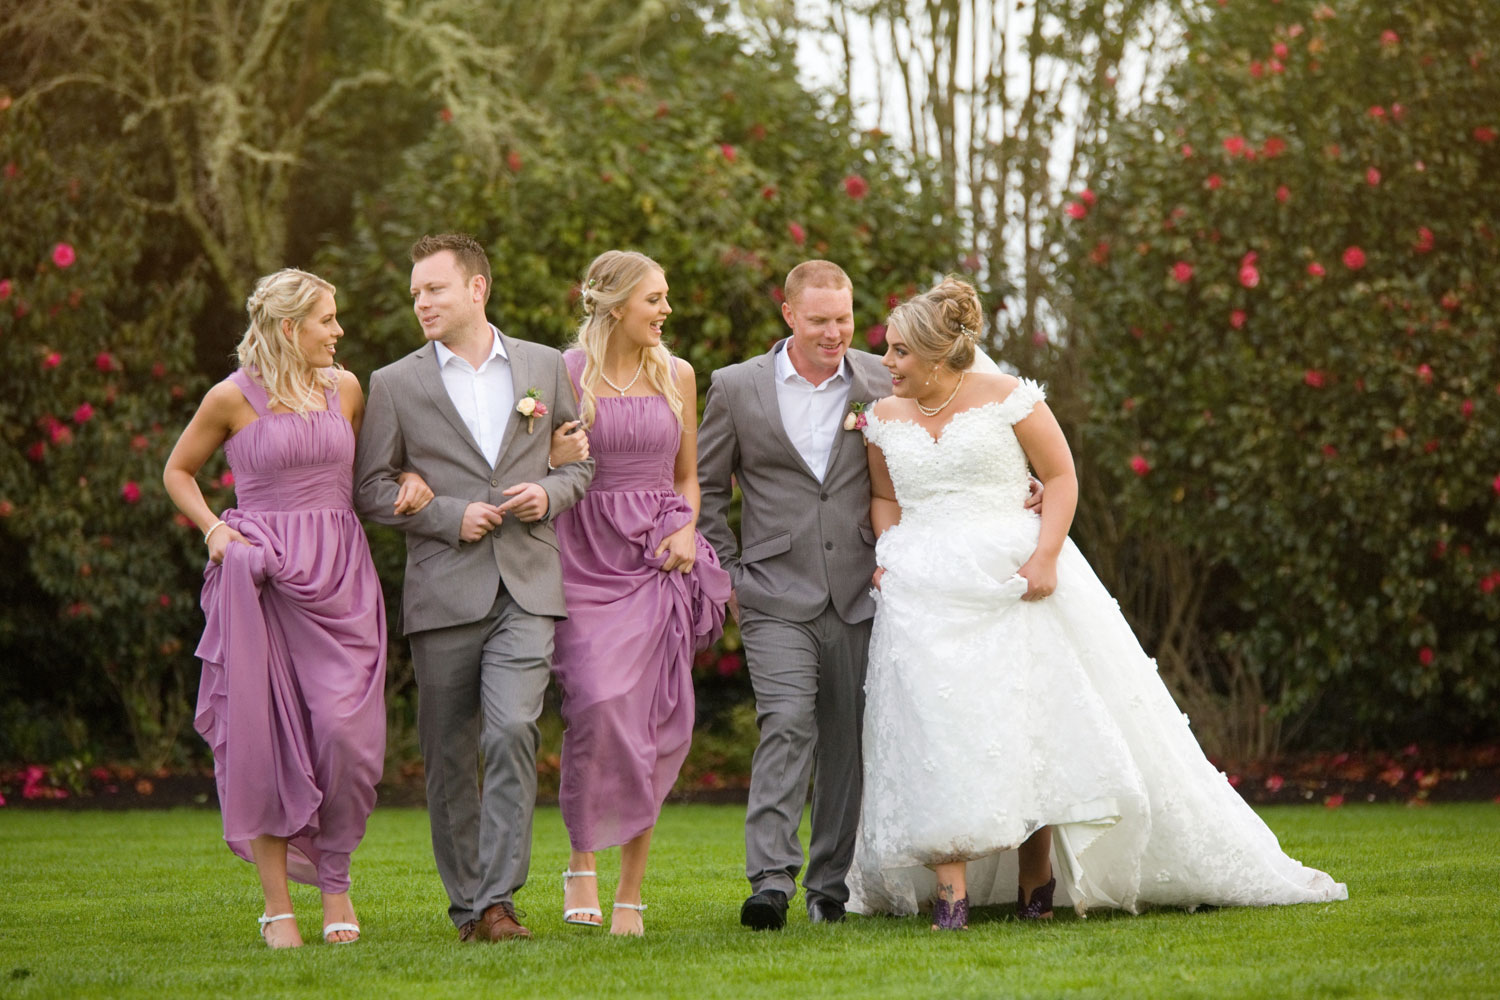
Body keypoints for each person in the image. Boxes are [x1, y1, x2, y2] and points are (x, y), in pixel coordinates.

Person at [847, 277, 1347, 930]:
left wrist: (1046, 556)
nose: (887, 364)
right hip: (926, 589)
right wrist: (890, 556)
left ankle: (1036, 879)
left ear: (941, 354)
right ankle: (950, 893)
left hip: (1012, 578)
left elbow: (1059, 476)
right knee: (935, 730)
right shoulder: (881, 419)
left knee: (1023, 723)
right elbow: (885, 500)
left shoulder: (1008, 398)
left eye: (901, 353)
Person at [165, 268, 434, 948]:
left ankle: (336, 879)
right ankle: (279, 905)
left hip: (341, 579)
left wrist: (410, 477)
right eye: (328, 320)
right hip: (262, 585)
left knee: (348, 737)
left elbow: (377, 469)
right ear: (290, 327)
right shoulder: (230, 398)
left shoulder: (344, 388)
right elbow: (178, 471)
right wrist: (215, 530)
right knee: (267, 742)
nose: (339, 331)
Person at [352, 233, 594, 943]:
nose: (421, 302)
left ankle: (498, 902)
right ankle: (470, 908)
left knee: (515, 727)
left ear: (477, 289)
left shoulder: (544, 367)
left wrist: (546, 494)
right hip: (443, 589)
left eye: (435, 289)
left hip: (526, 584)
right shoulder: (395, 383)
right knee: (450, 751)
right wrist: (449, 515)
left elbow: (580, 466)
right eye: (416, 293)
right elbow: (369, 488)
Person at [696, 260, 893, 929]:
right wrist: (728, 579)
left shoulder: (880, 379)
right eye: (820, 321)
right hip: (773, 592)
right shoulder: (734, 388)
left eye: (843, 318)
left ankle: (828, 887)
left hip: (861, 590)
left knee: (847, 742)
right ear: (788, 315)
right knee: (785, 724)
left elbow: (931, 454)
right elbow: (707, 493)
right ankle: (771, 881)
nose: (835, 332)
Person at [542, 250, 730, 936]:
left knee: (649, 719)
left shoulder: (676, 374)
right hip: (584, 554)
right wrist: (555, 460)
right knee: (595, 703)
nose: (667, 311)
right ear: (616, 304)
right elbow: (534, 462)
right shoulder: (563, 374)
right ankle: (581, 860)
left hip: (657, 554)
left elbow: (688, 476)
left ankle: (630, 892)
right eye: (655, 299)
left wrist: (687, 528)